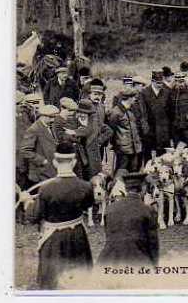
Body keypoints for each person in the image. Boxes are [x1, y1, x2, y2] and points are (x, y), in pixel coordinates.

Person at [31, 142, 94, 289]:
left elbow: (35, 217)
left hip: (54, 239)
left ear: (54, 162)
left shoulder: (46, 188)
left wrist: (28, 202)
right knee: (80, 281)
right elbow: (87, 205)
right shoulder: (86, 186)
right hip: (78, 236)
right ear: (74, 162)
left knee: (52, 282)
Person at [98, 172, 160, 266]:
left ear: (126, 189)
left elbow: (108, 236)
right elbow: (153, 244)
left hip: (108, 260)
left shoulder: (110, 209)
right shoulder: (148, 210)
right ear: (142, 188)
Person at [69, 99, 113, 180]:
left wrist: (99, 141)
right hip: (79, 157)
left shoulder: (95, 122)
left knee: (93, 179)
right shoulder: (73, 121)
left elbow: (109, 131)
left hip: (93, 158)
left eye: (86, 113)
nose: (82, 115)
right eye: (80, 112)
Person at [19, 104, 59, 185]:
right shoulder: (34, 129)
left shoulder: (50, 126)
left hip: (51, 170)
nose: (53, 120)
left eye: (54, 117)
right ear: (43, 116)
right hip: (41, 173)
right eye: (51, 117)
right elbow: (24, 151)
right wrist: (42, 161)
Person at [108, 87, 143, 173]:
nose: (135, 99)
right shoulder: (116, 112)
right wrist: (117, 145)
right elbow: (112, 130)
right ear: (128, 98)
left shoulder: (130, 111)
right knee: (121, 171)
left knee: (133, 171)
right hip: (123, 149)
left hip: (134, 148)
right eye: (134, 97)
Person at [140, 70, 172, 159]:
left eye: (162, 83)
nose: (160, 85)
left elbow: (170, 112)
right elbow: (143, 112)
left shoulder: (167, 92)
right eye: (158, 83)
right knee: (147, 154)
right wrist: (145, 128)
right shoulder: (144, 93)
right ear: (152, 81)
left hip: (163, 130)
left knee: (162, 155)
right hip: (150, 129)